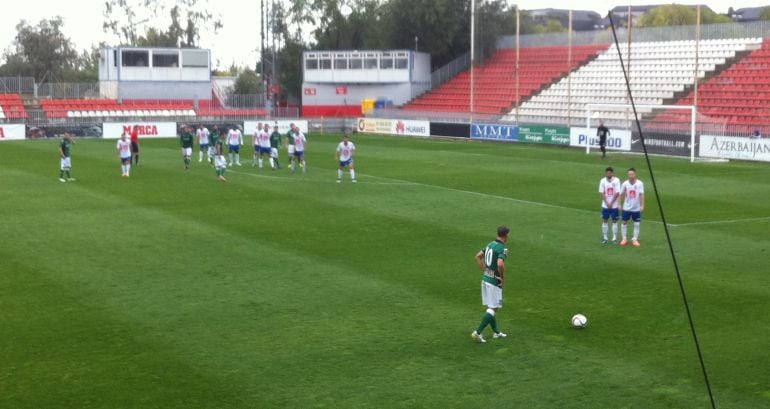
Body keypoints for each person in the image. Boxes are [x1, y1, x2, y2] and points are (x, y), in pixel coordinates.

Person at [471, 226, 509, 343]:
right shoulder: (503, 248)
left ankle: (496, 332)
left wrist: (485, 270)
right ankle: (477, 332)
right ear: (506, 236)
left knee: (492, 307)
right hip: (494, 282)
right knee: (493, 307)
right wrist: (501, 277)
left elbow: (478, 256)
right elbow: (500, 264)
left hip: (485, 279)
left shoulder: (490, 244)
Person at [620, 168, 645, 247]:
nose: (631, 176)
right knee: (624, 222)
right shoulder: (625, 183)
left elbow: (642, 195)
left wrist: (642, 205)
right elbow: (620, 194)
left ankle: (634, 239)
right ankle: (624, 239)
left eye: (632, 174)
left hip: (636, 208)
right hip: (626, 207)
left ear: (635, 174)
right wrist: (619, 204)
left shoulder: (639, 183)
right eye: (629, 174)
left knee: (637, 223)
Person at [599, 167, 621, 244]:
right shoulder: (602, 181)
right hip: (605, 205)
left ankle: (614, 238)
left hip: (614, 205)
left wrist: (611, 203)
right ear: (606, 173)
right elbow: (602, 192)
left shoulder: (617, 180)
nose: (608, 174)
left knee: (615, 221)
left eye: (610, 173)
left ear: (612, 173)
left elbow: (617, 192)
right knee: (605, 220)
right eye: (607, 173)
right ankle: (605, 238)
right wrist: (607, 203)